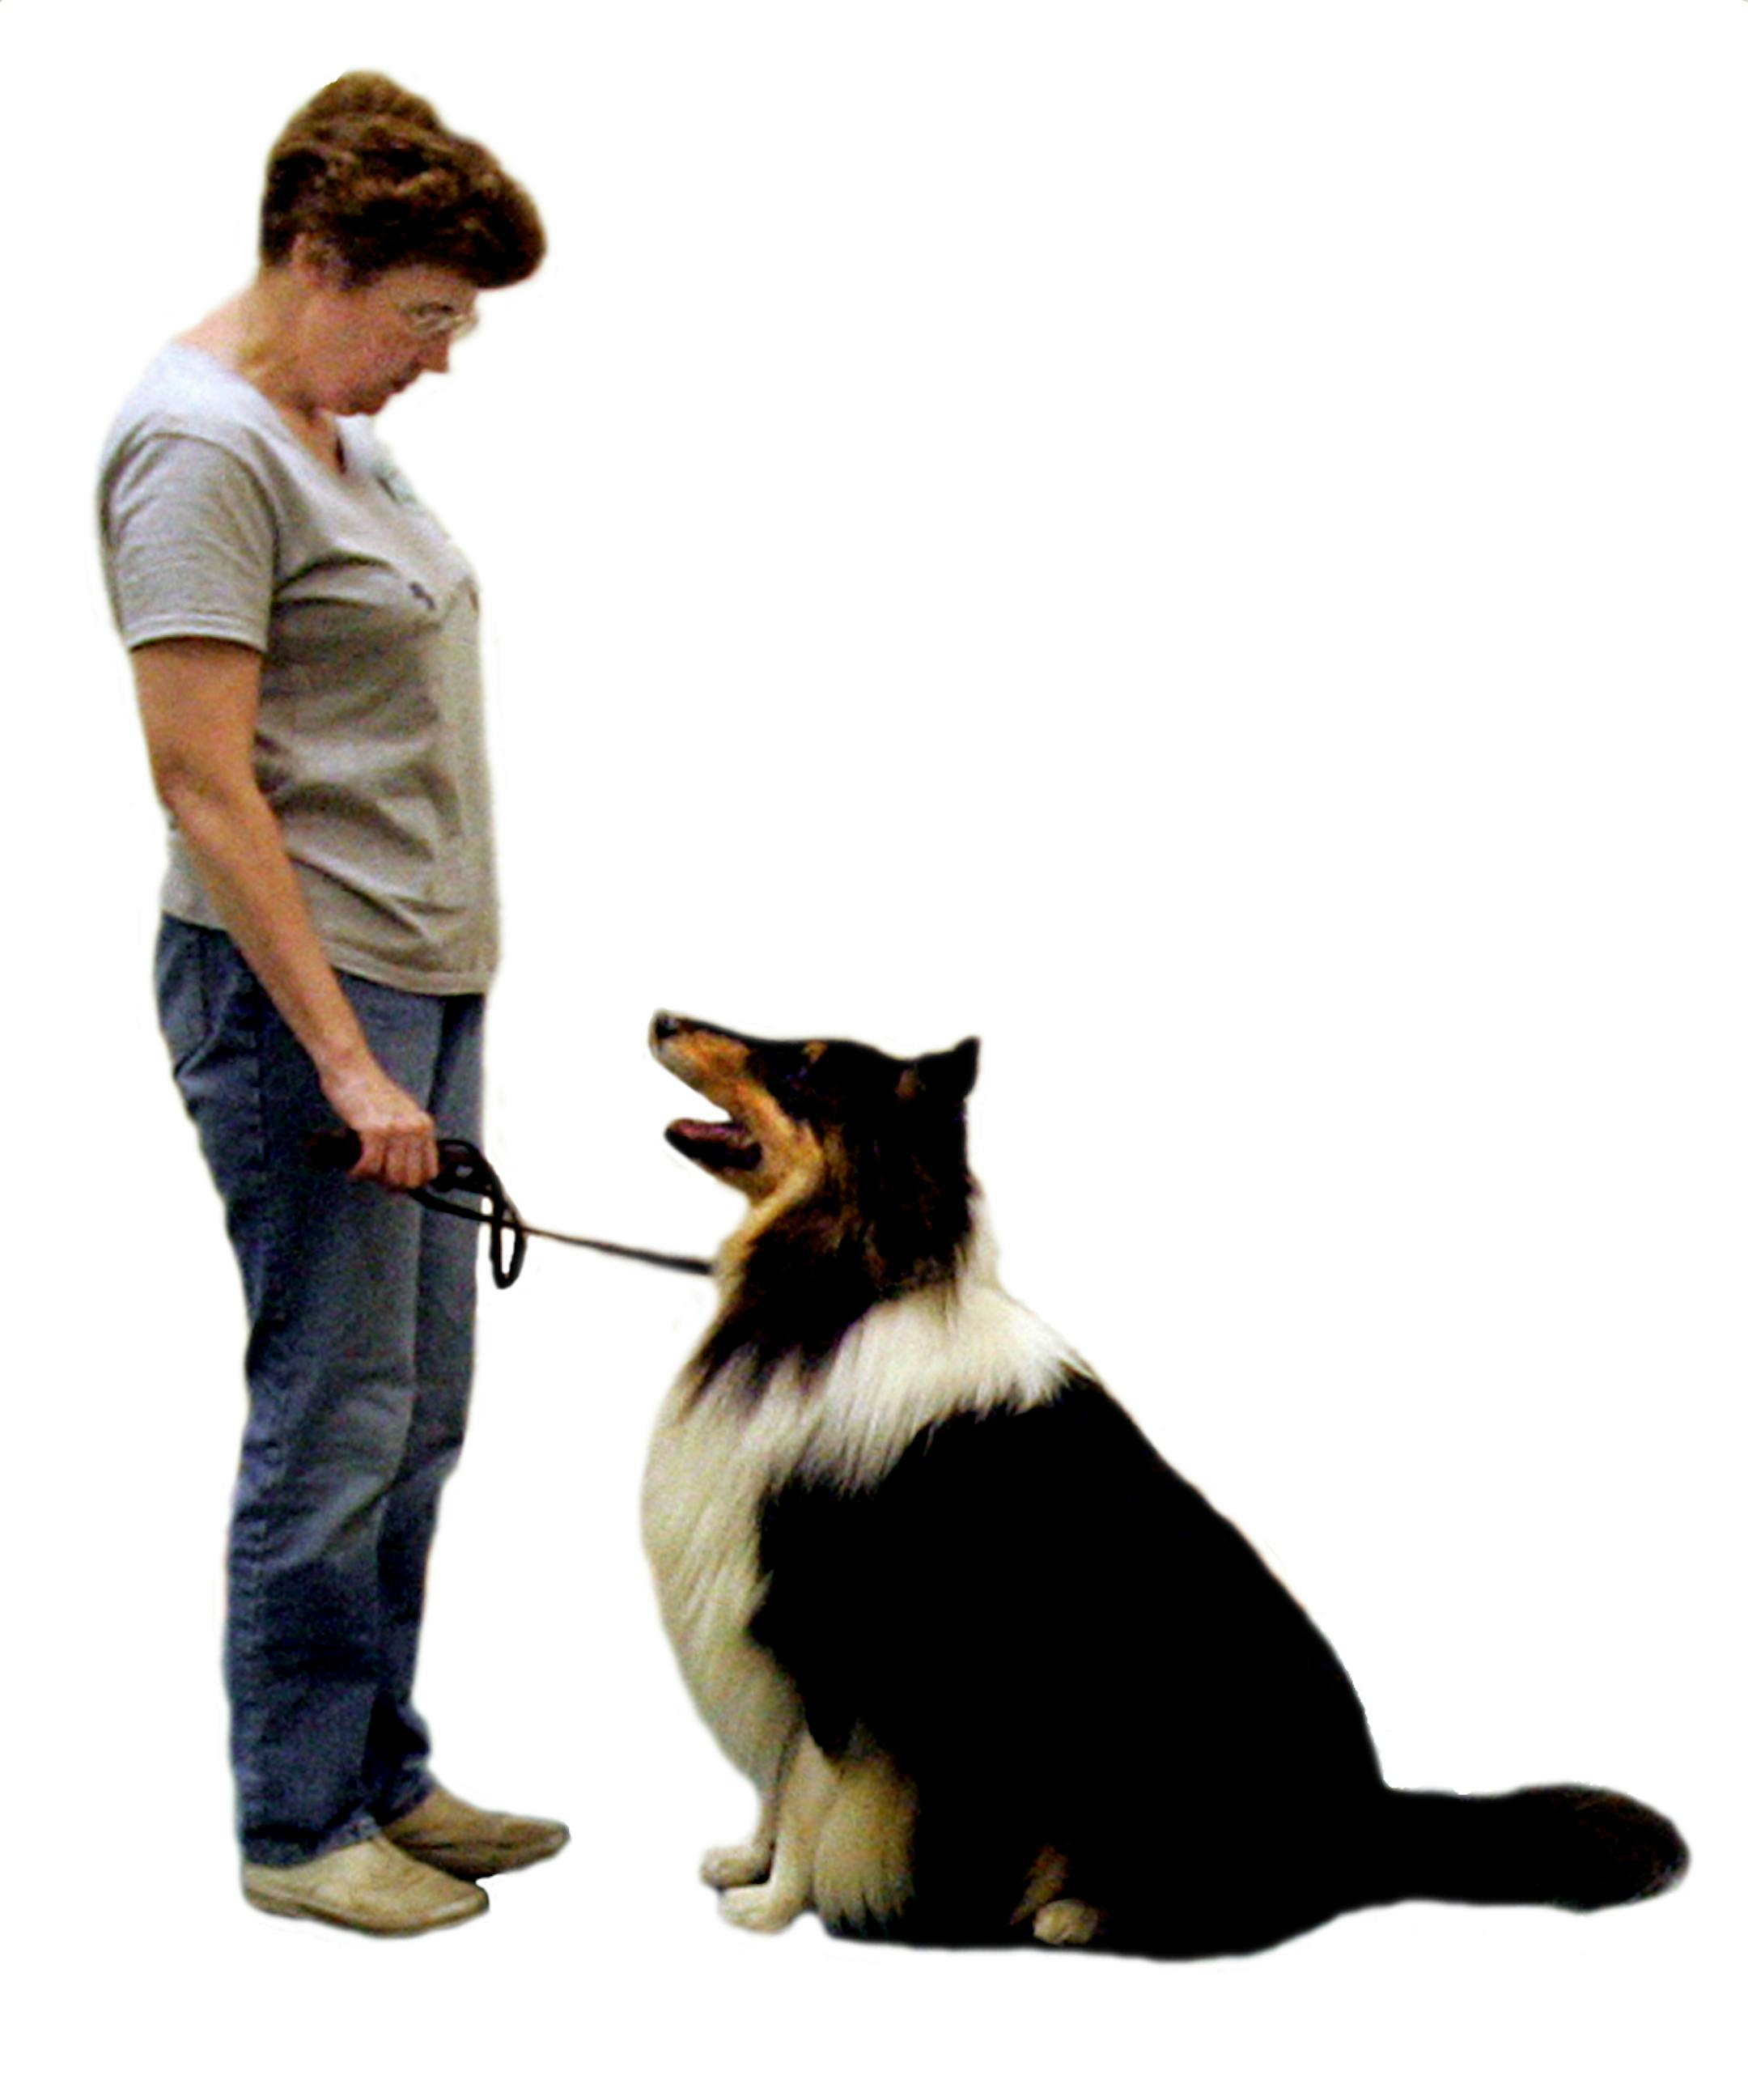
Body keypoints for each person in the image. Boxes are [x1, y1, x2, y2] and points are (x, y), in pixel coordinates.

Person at [99, 72, 565, 1936]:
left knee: (419, 1400)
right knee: (334, 1404)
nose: (444, 359)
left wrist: (419, 1019)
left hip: (417, 978)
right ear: (318, 258)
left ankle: (380, 1761)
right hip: (313, 994)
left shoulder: (329, 428)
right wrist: (347, 1052)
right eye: (431, 314)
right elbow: (205, 784)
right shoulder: (199, 449)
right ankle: (297, 1822)